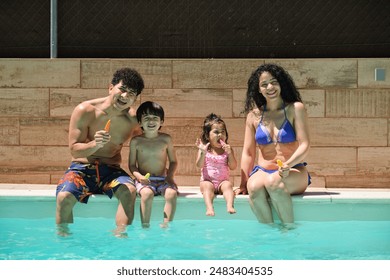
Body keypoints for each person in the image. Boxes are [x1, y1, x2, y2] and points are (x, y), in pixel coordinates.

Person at [56, 67, 145, 236]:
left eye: (131, 93)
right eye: (122, 89)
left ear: (135, 98)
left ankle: (120, 239)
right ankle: (65, 244)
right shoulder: (85, 110)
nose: (125, 96)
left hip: (111, 173)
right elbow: (74, 151)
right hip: (81, 170)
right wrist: (94, 145)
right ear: (110, 87)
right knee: (63, 197)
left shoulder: (133, 120)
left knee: (129, 192)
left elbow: (146, 145)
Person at [237, 63, 310, 225]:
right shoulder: (253, 117)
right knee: (254, 186)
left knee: (274, 182)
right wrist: (243, 183)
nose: (270, 87)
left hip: (293, 170)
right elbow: (248, 153)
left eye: (274, 82)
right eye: (264, 84)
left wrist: (287, 165)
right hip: (262, 171)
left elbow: (305, 145)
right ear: (259, 90)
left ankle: (288, 230)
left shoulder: (294, 109)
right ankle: (269, 236)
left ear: (281, 83)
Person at [129, 101, 178, 228]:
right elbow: (132, 165)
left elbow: (173, 161)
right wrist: (139, 177)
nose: (151, 121)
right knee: (146, 194)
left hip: (163, 179)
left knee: (172, 194)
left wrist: (170, 177)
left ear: (161, 121)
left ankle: (167, 225)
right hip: (144, 180)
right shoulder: (136, 141)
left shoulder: (166, 139)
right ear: (139, 122)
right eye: (146, 118)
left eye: (155, 118)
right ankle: (145, 225)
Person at [195, 113, 238, 216]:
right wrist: (202, 153)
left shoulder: (227, 150)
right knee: (206, 186)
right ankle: (209, 208)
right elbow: (199, 165)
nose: (220, 135)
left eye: (223, 132)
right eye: (216, 132)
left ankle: (229, 205)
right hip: (207, 181)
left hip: (222, 182)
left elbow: (233, 166)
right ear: (207, 136)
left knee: (228, 185)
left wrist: (230, 153)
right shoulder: (205, 149)